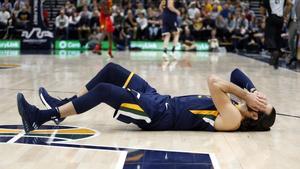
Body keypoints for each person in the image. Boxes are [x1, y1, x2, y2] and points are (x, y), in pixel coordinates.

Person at [17, 63, 276, 133]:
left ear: (254, 114)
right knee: (112, 70)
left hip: (156, 114)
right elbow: (236, 73)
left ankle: (42, 117)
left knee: (105, 90)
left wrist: (245, 95)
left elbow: (214, 82)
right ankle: (62, 106)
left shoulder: (233, 120)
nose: (259, 99)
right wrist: (252, 93)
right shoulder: (243, 105)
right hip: (161, 99)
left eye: (261, 105)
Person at [260, 0, 293, 69]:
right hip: (280, 19)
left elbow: (262, 10)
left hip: (271, 18)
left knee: (269, 38)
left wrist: (263, 17)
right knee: (277, 38)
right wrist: (284, 15)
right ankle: (275, 61)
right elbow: (290, 4)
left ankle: (275, 52)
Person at [286, 0, 300, 68]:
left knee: (299, 41)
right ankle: (293, 55)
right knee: (290, 39)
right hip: (292, 21)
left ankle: (297, 58)